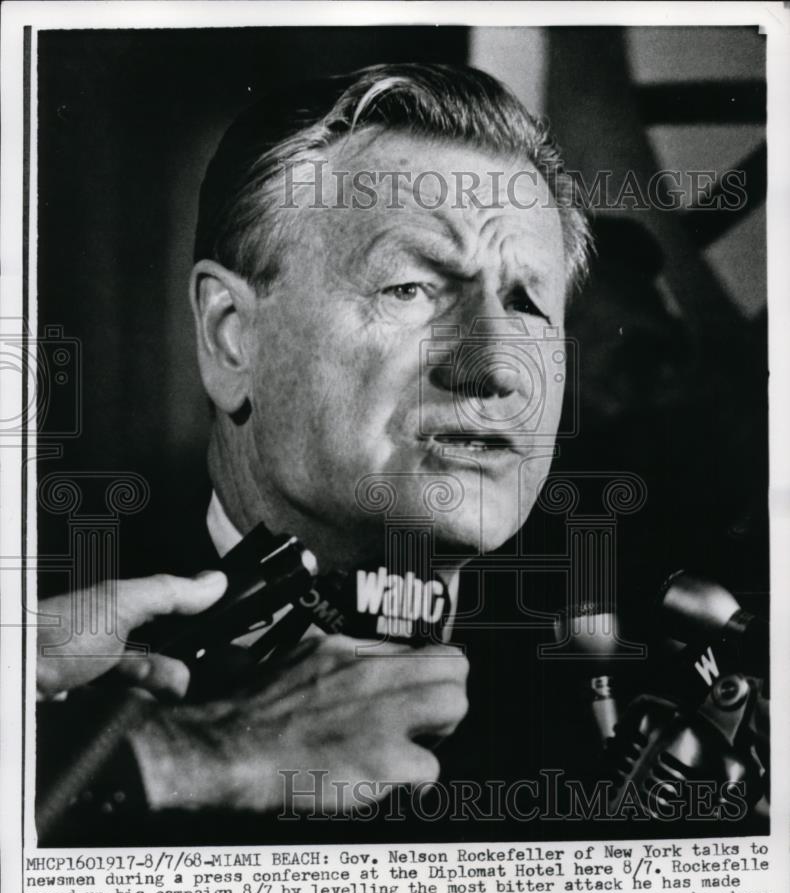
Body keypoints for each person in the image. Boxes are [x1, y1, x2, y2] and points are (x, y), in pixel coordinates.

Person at [38, 62, 672, 846]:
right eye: (411, 289)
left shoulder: (634, 711)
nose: (500, 366)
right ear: (232, 337)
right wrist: (194, 756)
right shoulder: (38, 645)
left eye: (525, 303)